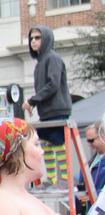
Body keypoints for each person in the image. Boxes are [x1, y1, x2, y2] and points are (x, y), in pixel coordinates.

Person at [21, 26, 72, 189]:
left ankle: (65, 179)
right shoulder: (40, 63)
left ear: (47, 39)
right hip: (47, 112)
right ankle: (51, 179)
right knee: (45, 144)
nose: (33, 41)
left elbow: (53, 84)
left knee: (57, 142)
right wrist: (35, 102)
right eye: (31, 38)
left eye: (37, 38)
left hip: (57, 110)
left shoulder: (52, 58)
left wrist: (33, 101)